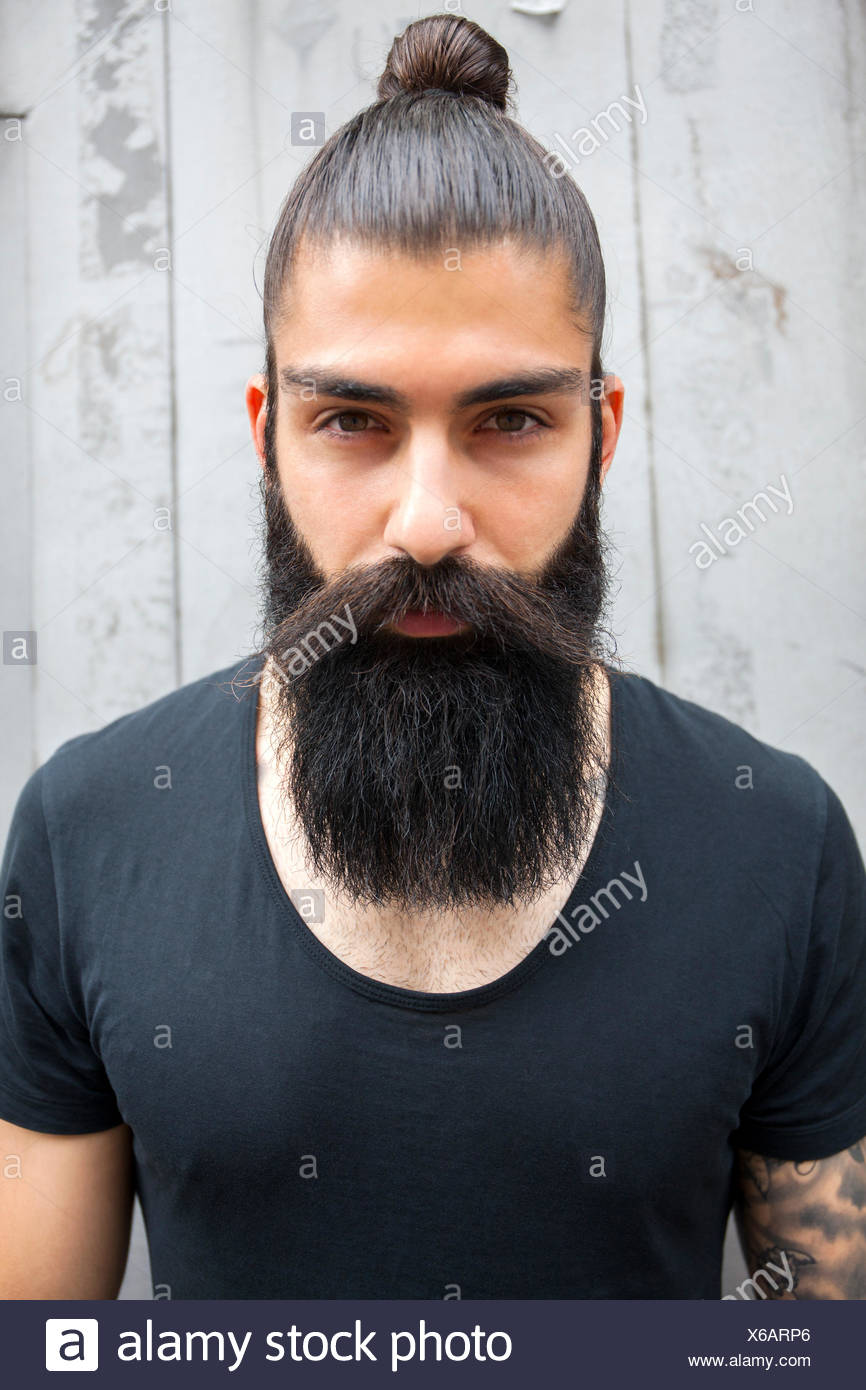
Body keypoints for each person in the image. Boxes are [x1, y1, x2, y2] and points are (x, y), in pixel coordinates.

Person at [1, 13, 865, 1302]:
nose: (424, 523)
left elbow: (820, 1342)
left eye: (511, 418)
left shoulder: (777, 843)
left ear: (602, 432)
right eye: (350, 419)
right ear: (266, 433)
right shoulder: (90, 829)